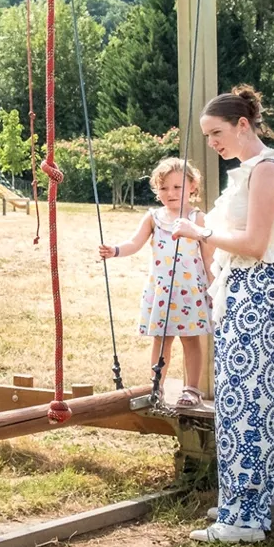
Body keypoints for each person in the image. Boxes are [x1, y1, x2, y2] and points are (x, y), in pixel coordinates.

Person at [169, 84, 274, 544]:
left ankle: (244, 518)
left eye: (216, 133)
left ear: (243, 124)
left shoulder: (266, 171)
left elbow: (255, 244)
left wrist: (200, 231)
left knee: (244, 403)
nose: (212, 143)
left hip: (258, 292)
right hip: (248, 290)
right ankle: (271, 499)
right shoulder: (255, 169)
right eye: (207, 136)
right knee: (263, 401)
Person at [98, 157, 214, 410]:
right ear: (156, 190)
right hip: (163, 291)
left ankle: (192, 389)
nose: (170, 193)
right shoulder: (153, 217)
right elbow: (134, 243)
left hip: (191, 292)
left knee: (192, 340)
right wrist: (115, 250)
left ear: (192, 186)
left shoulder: (198, 219)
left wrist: (213, 287)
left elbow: (208, 257)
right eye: (163, 188)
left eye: (177, 187)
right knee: (161, 341)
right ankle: (156, 386)